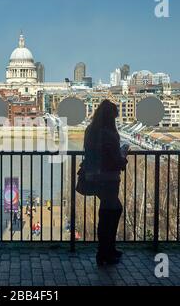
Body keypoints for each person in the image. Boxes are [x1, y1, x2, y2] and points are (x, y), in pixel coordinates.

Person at [83, 100, 128, 266]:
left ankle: (107, 249)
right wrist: (123, 155)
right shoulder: (109, 134)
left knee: (106, 212)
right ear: (111, 117)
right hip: (109, 178)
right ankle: (105, 251)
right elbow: (115, 159)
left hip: (94, 176)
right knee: (112, 212)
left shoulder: (91, 130)